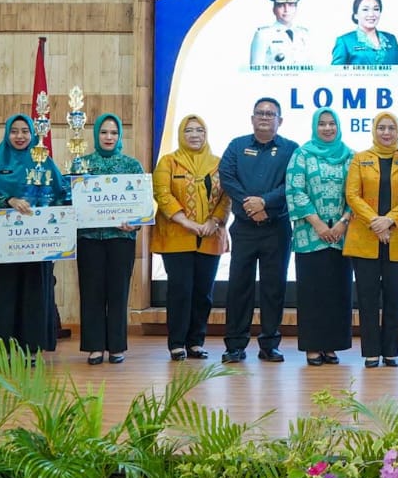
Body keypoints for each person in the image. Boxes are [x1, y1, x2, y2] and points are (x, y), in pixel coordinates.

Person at [218, 97, 300, 364]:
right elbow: (227, 177)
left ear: (280, 120)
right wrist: (250, 205)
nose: (265, 117)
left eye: (270, 114)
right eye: (260, 113)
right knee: (239, 287)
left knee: (273, 288)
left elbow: (293, 184)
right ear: (252, 118)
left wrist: (265, 202)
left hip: (277, 228)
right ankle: (235, 346)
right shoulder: (237, 146)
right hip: (243, 228)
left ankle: (269, 344)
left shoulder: (291, 149)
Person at [0, 114, 65, 356]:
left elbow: (60, 193)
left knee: (33, 296)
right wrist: (9, 201)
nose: (20, 136)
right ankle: (2, 350)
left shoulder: (43, 161)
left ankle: (31, 349)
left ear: (33, 134)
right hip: (3, 244)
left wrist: (48, 209)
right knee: (3, 295)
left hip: (37, 243)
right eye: (14, 131)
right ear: (7, 133)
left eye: (25, 131)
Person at [345, 111, 398, 368]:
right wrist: (376, 222)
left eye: (391, 128)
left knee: (393, 298)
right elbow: (353, 195)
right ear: (374, 131)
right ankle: (370, 352)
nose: (386, 133)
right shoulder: (360, 159)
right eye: (381, 128)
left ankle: (390, 352)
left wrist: (389, 220)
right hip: (364, 237)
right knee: (366, 298)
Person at [152, 114, 230, 361]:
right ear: (181, 135)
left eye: (200, 131)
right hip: (176, 235)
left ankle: (196, 342)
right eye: (189, 131)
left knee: (203, 292)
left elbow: (225, 198)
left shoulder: (219, 164)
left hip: (210, 235)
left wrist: (213, 221)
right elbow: (162, 194)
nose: (195, 135)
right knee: (180, 290)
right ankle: (177, 343)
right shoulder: (169, 162)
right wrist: (186, 221)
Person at [286, 108, 355, 366]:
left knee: (337, 293)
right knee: (312, 294)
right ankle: (313, 347)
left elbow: (357, 193)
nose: (327, 128)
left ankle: (332, 345)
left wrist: (342, 223)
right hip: (310, 236)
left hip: (342, 236)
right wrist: (317, 224)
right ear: (315, 127)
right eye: (322, 124)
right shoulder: (301, 155)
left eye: (331, 124)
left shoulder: (351, 156)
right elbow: (295, 190)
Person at [74, 114, 144, 365]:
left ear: (119, 136)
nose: (108, 137)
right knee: (91, 292)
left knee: (118, 292)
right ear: (96, 135)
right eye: (104, 132)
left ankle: (116, 346)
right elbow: (71, 200)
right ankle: (94, 347)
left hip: (121, 238)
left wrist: (135, 221)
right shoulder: (81, 165)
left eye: (113, 133)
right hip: (89, 238)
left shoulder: (131, 165)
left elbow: (142, 203)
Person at [249, 0, 315, 68]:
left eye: (291, 5)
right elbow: (255, 70)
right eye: (281, 5)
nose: (286, 10)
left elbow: (311, 68)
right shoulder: (263, 35)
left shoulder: (304, 34)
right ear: (274, 9)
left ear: (296, 9)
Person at [330, 0, 398, 66]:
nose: (371, 14)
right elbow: (335, 74)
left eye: (376, 9)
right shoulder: (344, 41)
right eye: (365, 9)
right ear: (355, 15)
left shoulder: (391, 39)